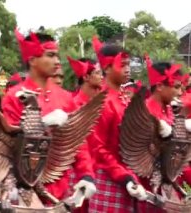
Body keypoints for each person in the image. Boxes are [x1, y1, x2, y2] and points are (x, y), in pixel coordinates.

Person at [2, 29, 97, 204]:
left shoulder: (65, 98)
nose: (57, 61)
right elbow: (12, 146)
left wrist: (86, 174)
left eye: (57, 55)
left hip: (60, 187)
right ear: (32, 60)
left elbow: (77, 141)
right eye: (50, 55)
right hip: (27, 190)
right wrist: (41, 124)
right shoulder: (15, 96)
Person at [86, 36, 147, 212]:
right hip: (108, 178)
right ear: (107, 67)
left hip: (127, 177)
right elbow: (99, 149)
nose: (128, 70)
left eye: (129, 64)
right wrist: (123, 176)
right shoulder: (102, 101)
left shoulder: (123, 98)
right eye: (123, 65)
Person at [140, 58, 183, 212]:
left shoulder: (168, 109)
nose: (180, 93)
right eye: (176, 87)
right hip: (147, 187)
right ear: (159, 86)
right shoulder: (146, 113)